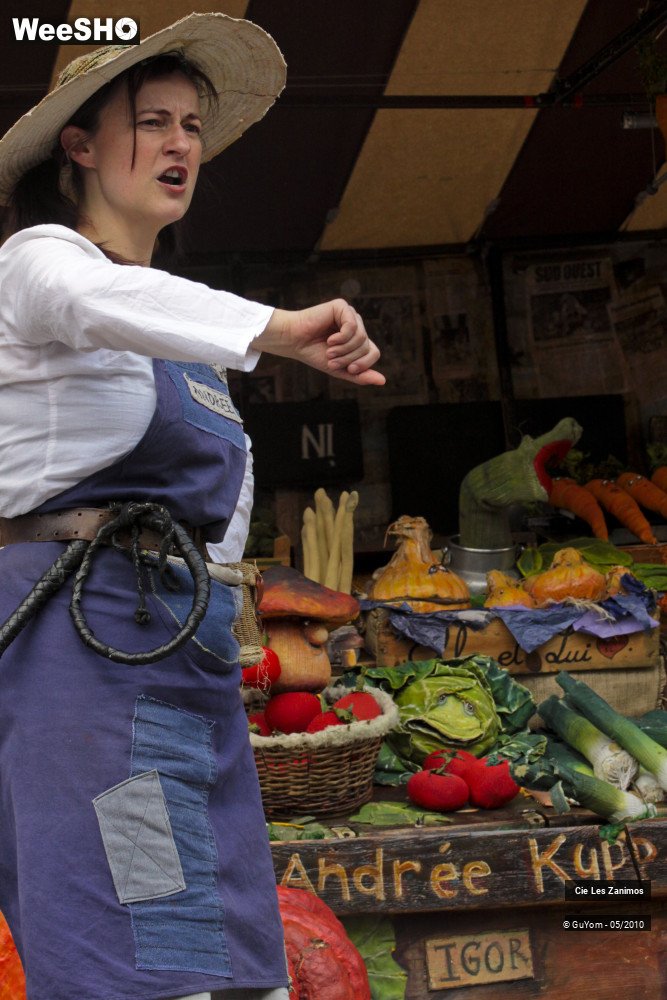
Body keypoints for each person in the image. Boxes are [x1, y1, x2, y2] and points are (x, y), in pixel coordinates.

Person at [0, 13, 383, 1000]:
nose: (180, 145)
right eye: (152, 122)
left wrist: (221, 625)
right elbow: (91, 301)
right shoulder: (40, 262)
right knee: (139, 934)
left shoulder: (181, 320)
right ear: (79, 146)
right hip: (86, 664)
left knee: (214, 937)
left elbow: (226, 511)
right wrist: (283, 328)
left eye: (191, 127)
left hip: (179, 664)